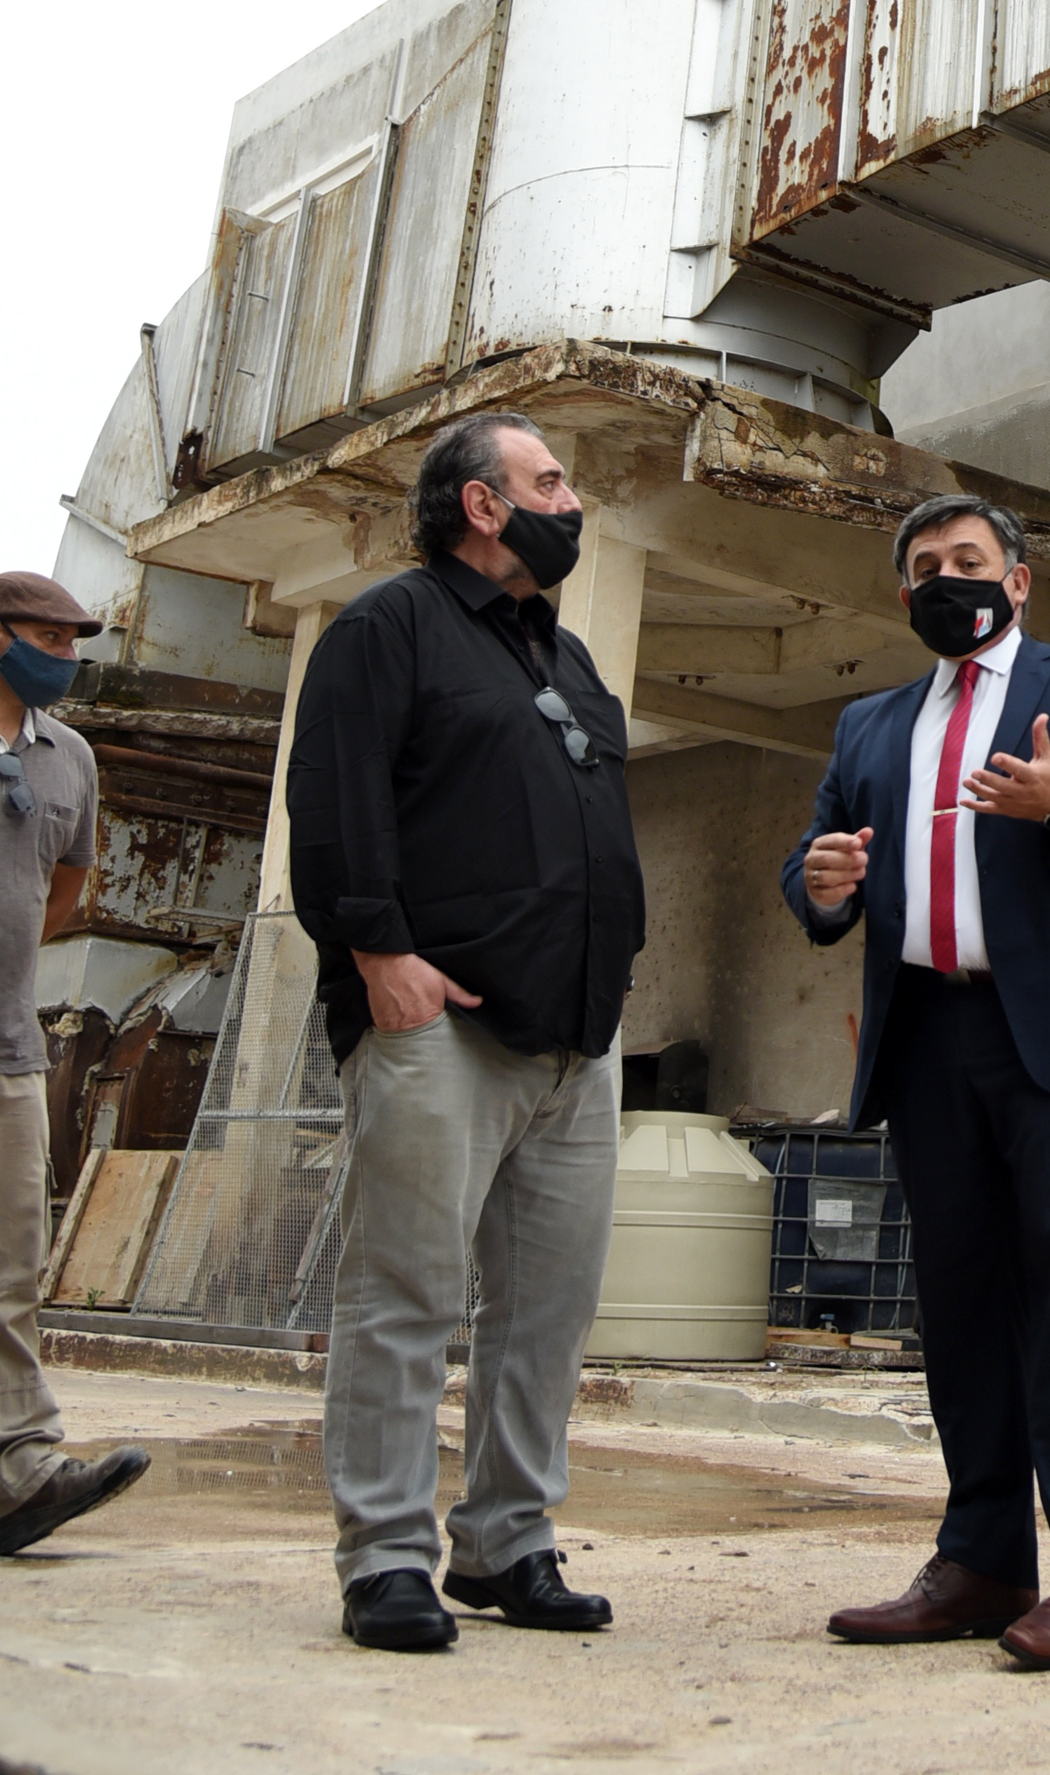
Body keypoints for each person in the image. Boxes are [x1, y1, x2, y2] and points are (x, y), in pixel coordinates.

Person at [783, 495, 1050, 1670]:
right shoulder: (869, 723)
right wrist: (816, 886)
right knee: (960, 1308)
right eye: (924, 567)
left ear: (1017, 581)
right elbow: (821, 866)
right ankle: (980, 1558)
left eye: (967, 561)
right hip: (927, 1041)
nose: (945, 579)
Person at [287, 412, 642, 1652]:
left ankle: (506, 1542)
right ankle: (385, 1555)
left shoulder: (570, 657)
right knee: (406, 1290)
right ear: (483, 506)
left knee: (545, 1309)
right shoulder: (389, 626)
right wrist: (380, 953)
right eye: (552, 479)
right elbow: (334, 798)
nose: (574, 499)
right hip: (438, 1023)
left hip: (574, 1036)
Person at [0, 573, 150, 1554]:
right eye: (45, 633)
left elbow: (62, 889)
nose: (64, 649)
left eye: (73, 635)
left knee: (11, 1266)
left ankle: (21, 1467)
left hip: (8, 1049)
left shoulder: (71, 758)